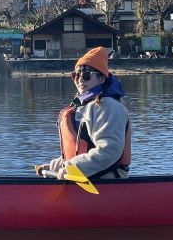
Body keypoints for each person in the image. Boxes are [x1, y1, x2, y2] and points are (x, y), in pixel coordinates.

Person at [37, 46, 131, 180]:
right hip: (87, 177)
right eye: (76, 75)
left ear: (102, 78)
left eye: (86, 75)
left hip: (108, 180)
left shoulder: (109, 106)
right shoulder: (83, 106)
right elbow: (82, 150)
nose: (80, 79)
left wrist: (73, 168)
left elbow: (109, 152)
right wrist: (61, 163)